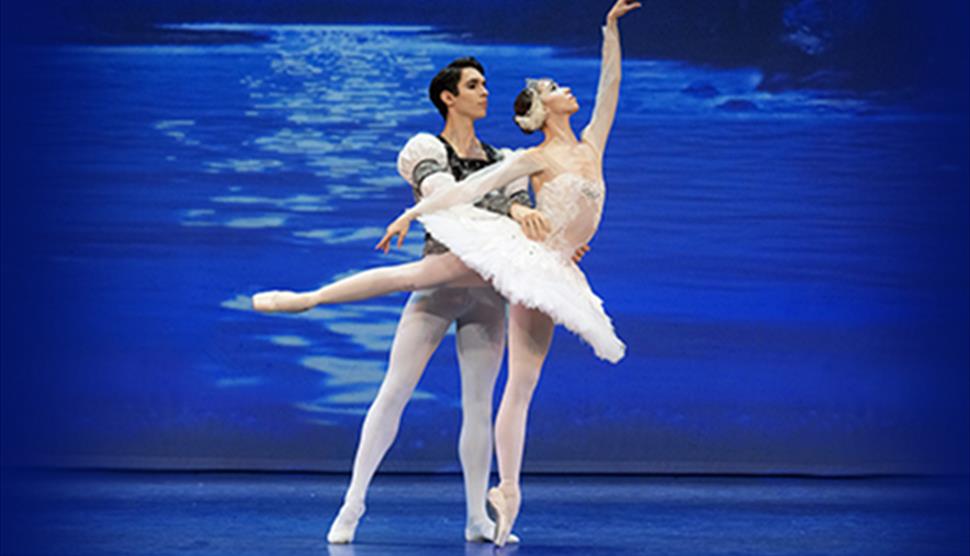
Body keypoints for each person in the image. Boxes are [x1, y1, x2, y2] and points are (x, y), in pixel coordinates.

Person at [254, 0, 637, 545]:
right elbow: (446, 191)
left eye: (486, 84)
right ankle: (352, 501)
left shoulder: (508, 153)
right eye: (475, 84)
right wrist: (416, 212)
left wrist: (543, 229)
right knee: (395, 385)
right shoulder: (426, 146)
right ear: (448, 96)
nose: (485, 91)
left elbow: (524, 204)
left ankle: (480, 515)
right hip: (442, 279)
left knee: (481, 405)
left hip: (492, 289)